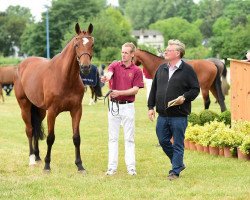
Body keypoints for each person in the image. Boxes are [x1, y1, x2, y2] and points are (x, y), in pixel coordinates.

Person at [147, 39, 200, 181]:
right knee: (163, 140)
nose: (165, 51)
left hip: (179, 115)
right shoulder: (161, 68)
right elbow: (154, 89)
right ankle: (179, 163)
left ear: (177, 53)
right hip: (162, 115)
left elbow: (195, 89)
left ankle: (175, 171)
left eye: (168, 50)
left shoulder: (187, 70)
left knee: (177, 143)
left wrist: (185, 97)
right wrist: (150, 107)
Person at [101, 42, 144, 176]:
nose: (123, 55)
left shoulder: (137, 70)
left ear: (132, 54)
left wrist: (119, 92)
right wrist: (106, 78)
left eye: (126, 52)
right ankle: (111, 167)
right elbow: (109, 73)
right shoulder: (115, 65)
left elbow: (135, 90)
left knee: (129, 138)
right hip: (114, 106)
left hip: (128, 107)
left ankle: (131, 167)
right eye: (122, 52)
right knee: (112, 138)